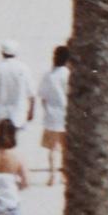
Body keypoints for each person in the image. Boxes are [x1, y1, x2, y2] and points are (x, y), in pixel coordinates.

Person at [0, 39, 35, 128]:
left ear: (2, 52)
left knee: (0, 139)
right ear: (16, 53)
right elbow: (32, 95)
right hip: (18, 115)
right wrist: (31, 111)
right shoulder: (24, 69)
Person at [38, 45, 69, 185]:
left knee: (53, 147)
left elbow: (43, 97)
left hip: (52, 114)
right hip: (67, 113)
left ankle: (52, 174)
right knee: (66, 147)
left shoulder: (48, 75)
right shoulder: (68, 74)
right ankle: (64, 175)